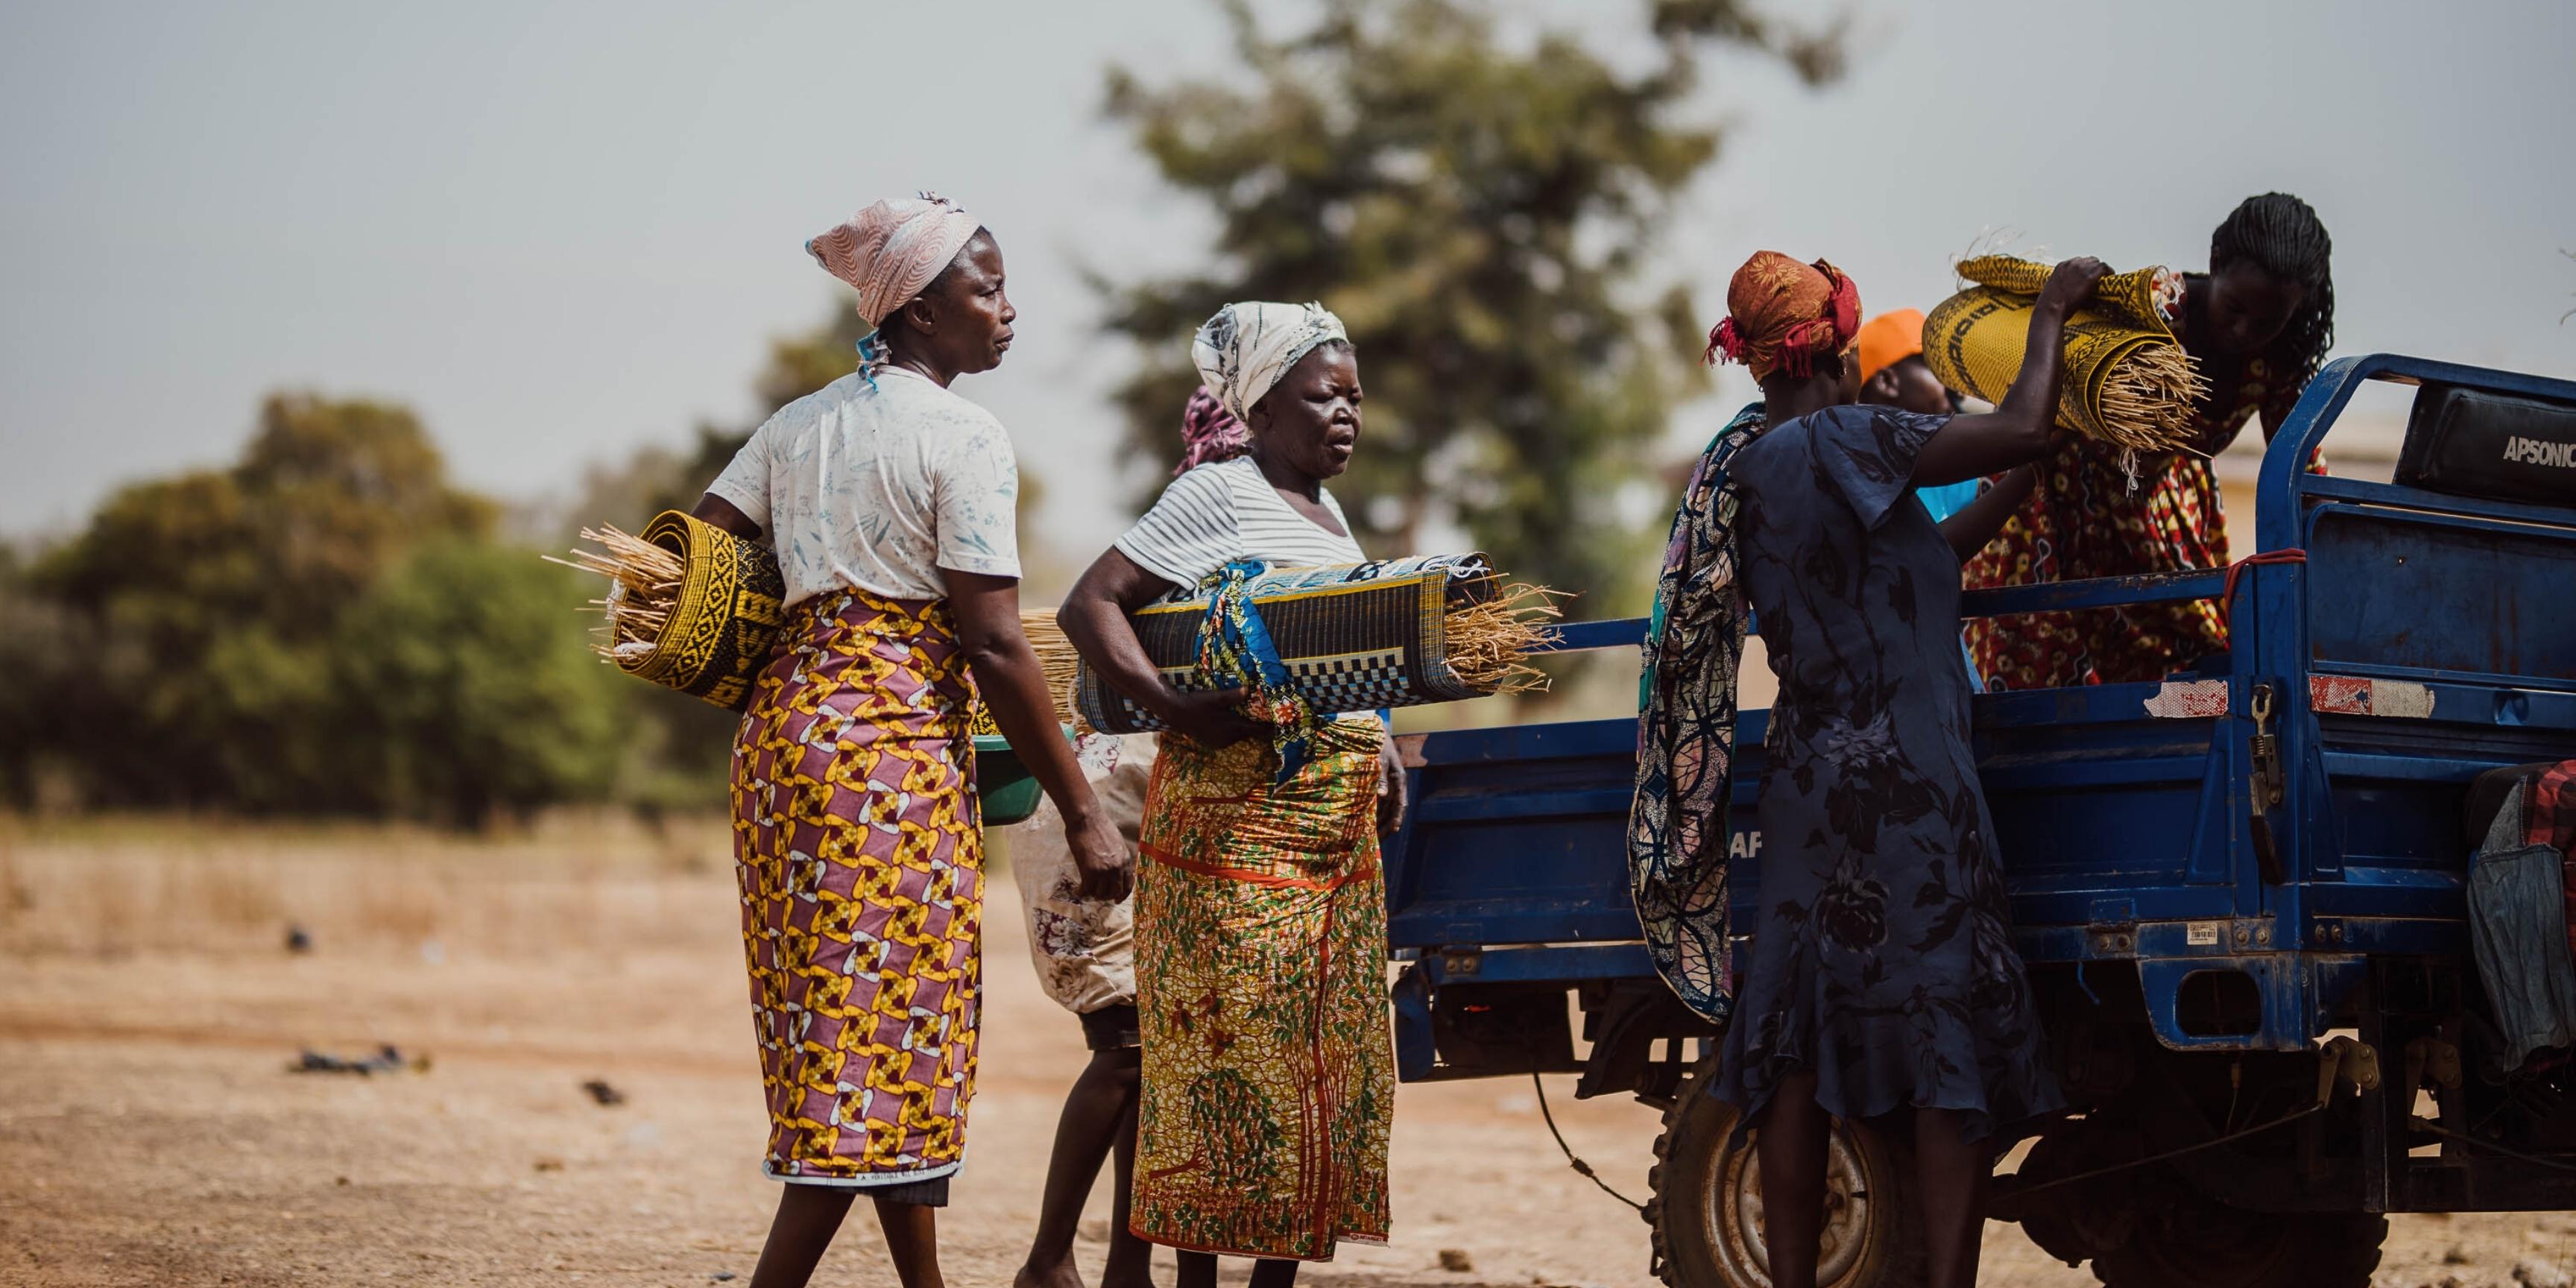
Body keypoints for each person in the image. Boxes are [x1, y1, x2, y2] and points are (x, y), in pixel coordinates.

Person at [1632, 250, 2102, 1288]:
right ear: (1840, 353)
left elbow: (1930, 555)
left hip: (1808, 783)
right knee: (1942, 1038)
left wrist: (2023, 477)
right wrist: (2058, 310)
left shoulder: (1744, 471)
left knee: (1794, 1049)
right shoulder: (1853, 435)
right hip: (1914, 787)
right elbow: (2018, 423)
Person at [692, 193, 1131, 1288]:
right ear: (923, 314)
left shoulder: (796, 424)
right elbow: (991, 642)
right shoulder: (965, 436)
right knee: (882, 1040)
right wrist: (1081, 810)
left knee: (851, 1028)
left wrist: (811, 595)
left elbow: (695, 553)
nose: (1008, 311)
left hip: (784, 748)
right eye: (986, 291)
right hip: (888, 756)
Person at [1058, 302, 1405, 1288]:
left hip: (1326, 848)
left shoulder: (1328, 514)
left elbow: (1334, 661)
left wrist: (1382, 749)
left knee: (1303, 1073)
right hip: (1231, 842)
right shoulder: (1221, 491)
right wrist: (1173, 704)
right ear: (1259, 404)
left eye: (1355, 397)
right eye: (1323, 395)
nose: (1347, 414)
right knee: (1222, 1075)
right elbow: (1093, 602)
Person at [1964, 192, 2336, 689]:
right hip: (2058, 500)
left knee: (2203, 668)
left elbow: (2303, 472)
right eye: (2235, 308)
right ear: (2215, 263)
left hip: (2156, 519)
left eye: (2267, 323)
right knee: (2044, 668)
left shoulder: (2281, 361)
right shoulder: (2156, 308)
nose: (2244, 331)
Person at [1008, 732, 1158, 1288]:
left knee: (1149, 1053)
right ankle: (1048, 1262)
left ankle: (1127, 1268)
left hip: (1125, 803)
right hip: (1094, 816)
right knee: (1125, 1039)